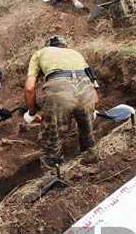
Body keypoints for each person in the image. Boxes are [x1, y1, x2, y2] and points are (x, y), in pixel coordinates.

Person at [22, 35, 99, 175]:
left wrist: (31, 112)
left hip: (59, 88)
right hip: (87, 90)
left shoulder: (40, 53)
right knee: (87, 131)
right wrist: (92, 107)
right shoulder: (76, 53)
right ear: (64, 46)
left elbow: (29, 88)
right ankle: (91, 164)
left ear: (48, 46)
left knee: (51, 137)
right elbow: (93, 82)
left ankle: (55, 175)